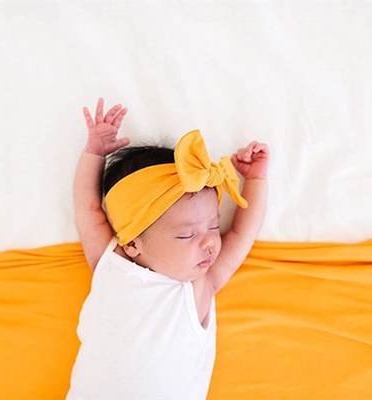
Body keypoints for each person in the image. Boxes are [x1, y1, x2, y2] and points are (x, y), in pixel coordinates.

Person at [67, 98, 269, 399]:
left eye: (214, 226)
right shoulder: (110, 263)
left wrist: (255, 180)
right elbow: (87, 206)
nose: (210, 242)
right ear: (132, 243)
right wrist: (93, 153)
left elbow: (242, 233)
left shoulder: (198, 286)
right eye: (187, 235)